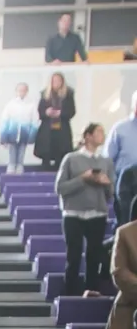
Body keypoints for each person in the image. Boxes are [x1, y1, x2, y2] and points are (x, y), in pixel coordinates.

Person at [55, 123, 112, 296]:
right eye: (99, 132)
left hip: (97, 214)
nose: (102, 135)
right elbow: (60, 188)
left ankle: (92, 291)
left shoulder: (106, 161)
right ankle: (70, 293)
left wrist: (106, 183)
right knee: (73, 256)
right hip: (74, 214)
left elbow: (110, 194)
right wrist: (83, 178)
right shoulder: (71, 159)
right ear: (88, 136)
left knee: (94, 256)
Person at [35, 73, 76, 171]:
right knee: (46, 151)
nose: (56, 83)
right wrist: (46, 112)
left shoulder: (68, 95)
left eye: (58, 81)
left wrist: (61, 113)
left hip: (62, 128)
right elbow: (39, 110)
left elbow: (72, 111)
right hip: (47, 128)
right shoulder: (45, 94)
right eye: (54, 81)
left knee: (61, 151)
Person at [108, 92, 137, 223]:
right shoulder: (120, 128)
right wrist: (113, 183)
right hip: (125, 183)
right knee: (125, 222)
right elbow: (108, 158)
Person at [0, 83, 40, 174]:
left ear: (27, 92)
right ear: (16, 91)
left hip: (24, 132)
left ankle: (20, 165)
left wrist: (32, 134)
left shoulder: (31, 105)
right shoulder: (11, 104)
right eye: (19, 90)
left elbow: (35, 121)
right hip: (12, 132)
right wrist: (3, 136)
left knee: (22, 150)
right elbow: (5, 120)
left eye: (23, 90)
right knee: (12, 149)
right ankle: (11, 164)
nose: (21, 92)